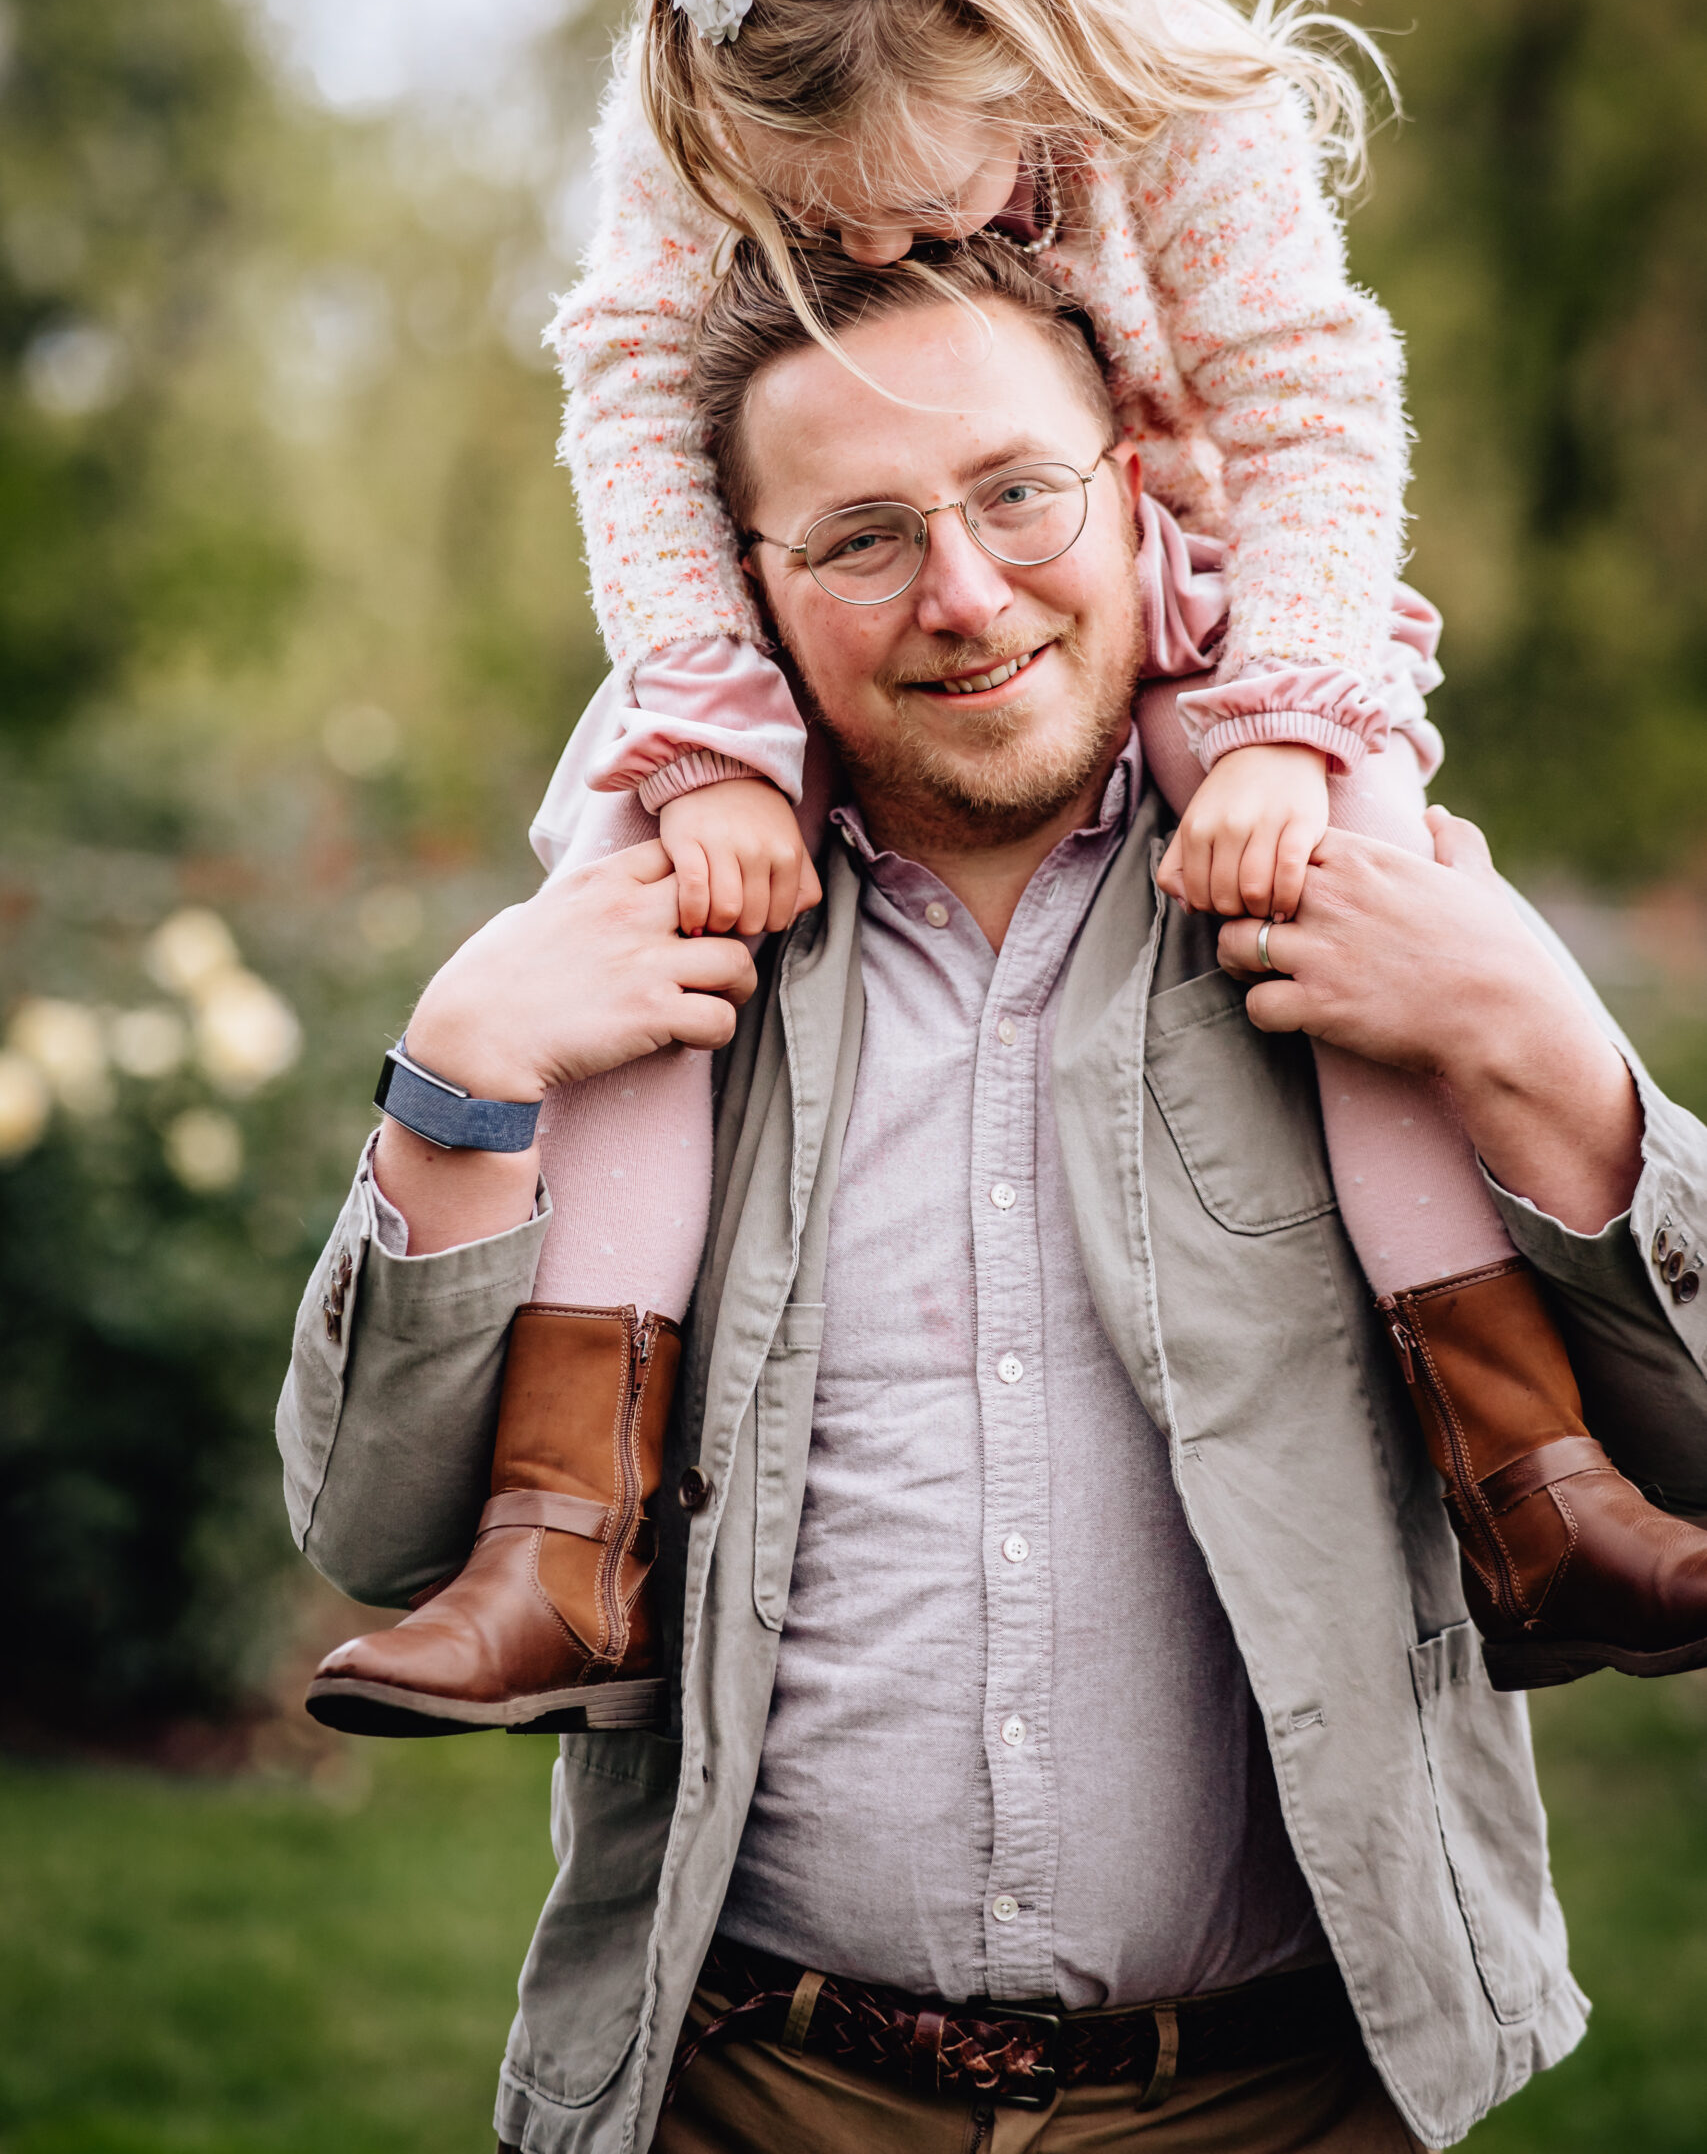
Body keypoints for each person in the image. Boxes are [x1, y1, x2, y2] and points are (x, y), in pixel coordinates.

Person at [305, 0, 1707, 1737]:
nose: (867, 238)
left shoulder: (1177, 110)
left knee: (1348, 867)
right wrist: (709, 728)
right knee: (634, 871)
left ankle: (1531, 1483)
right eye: (821, 218)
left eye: (913, 199)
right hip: (798, 587)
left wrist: (1283, 731)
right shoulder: (697, 91)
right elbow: (628, 395)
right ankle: (562, 1526)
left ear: (1025, 59)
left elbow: (1308, 402)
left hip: (1169, 560)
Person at [279, 241, 1707, 2152]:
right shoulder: (639, 961)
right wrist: (455, 1088)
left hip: (1287, 2101)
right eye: (859, 537)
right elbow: (372, 1533)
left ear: (1135, 486)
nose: (963, 595)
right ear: (746, 596)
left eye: (1017, 493)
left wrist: (1544, 1056)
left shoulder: (1362, 913)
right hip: (745, 2088)